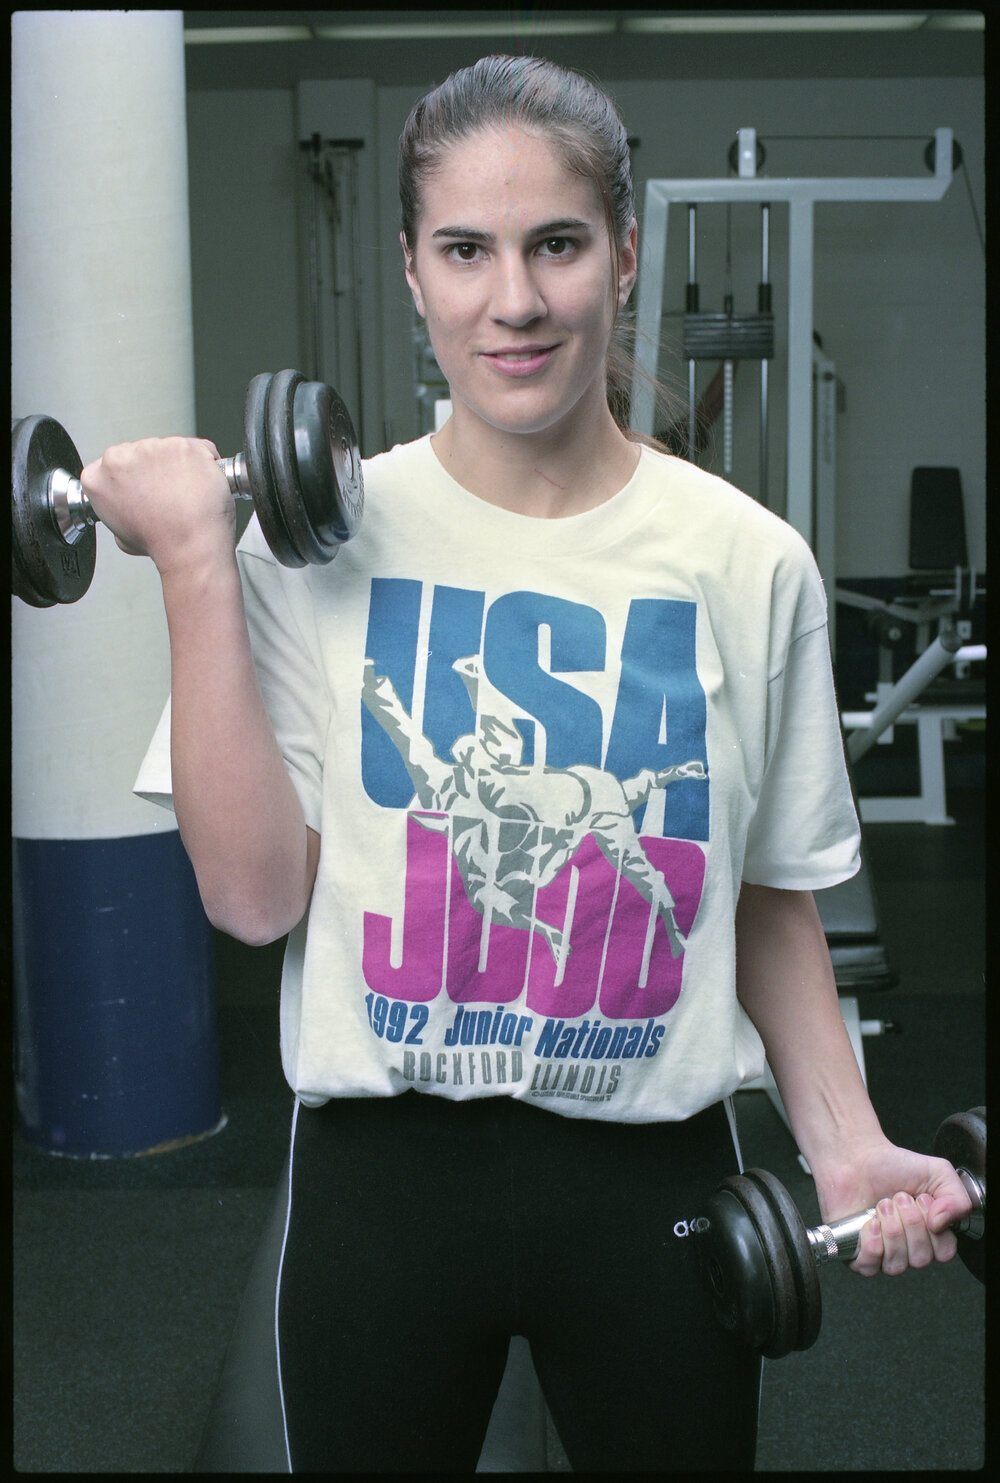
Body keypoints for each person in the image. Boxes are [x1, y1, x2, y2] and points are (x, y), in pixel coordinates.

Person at [83, 54, 972, 1474]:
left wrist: (846, 1142)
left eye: (556, 244)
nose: (515, 300)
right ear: (412, 270)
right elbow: (254, 901)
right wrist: (196, 562)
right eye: (466, 251)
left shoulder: (749, 564)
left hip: (654, 1176)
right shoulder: (306, 548)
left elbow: (759, 895)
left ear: (622, 258)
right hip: (385, 1185)